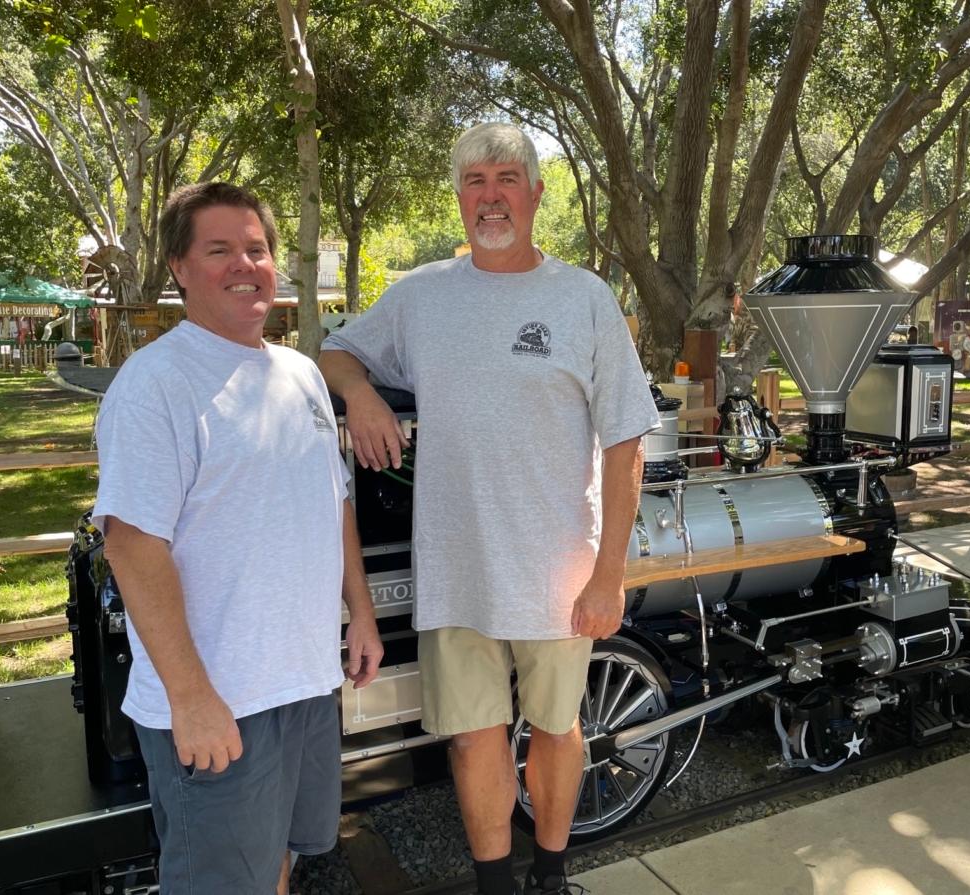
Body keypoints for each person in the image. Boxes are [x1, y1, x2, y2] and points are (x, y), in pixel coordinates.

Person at [319, 123, 658, 895]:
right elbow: (335, 351)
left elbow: (625, 442)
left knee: (557, 729)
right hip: (457, 564)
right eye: (475, 180)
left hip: (559, 569)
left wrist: (609, 573)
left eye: (507, 177)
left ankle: (550, 875)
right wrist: (363, 393)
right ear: (459, 197)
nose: (491, 193)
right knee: (474, 742)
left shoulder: (584, 298)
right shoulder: (420, 296)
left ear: (537, 194)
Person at [93, 181, 383, 895]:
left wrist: (362, 611)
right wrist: (191, 697)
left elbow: (333, 501)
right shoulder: (155, 384)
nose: (244, 264)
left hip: (304, 682)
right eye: (219, 249)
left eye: (256, 249)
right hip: (218, 700)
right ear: (180, 268)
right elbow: (132, 545)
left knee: (279, 858)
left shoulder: (303, 375)